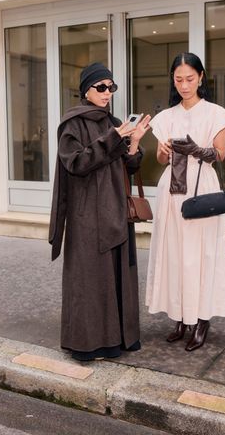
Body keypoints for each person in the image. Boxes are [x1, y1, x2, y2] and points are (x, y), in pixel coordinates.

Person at [49, 62, 150, 361]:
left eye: (111, 87)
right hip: (87, 217)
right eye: (101, 87)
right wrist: (114, 137)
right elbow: (76, 163)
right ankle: (89, 344)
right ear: (86, 90)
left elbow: (129, 168)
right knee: (90, 280)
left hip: (116, 211)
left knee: (116, 276)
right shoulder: (73, 124)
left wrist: (134, 143)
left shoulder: (114, 122)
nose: (107, 93)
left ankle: (117, 340)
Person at [145, 52, 225, 351]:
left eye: (190, 79)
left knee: (201, 255)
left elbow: (220, 154)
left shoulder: (216, 114)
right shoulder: (166, 116)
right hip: (171, 191)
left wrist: (197, 149)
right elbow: (161, 159)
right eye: (178, 79)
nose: (184, 85)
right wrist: (162, 149)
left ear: (200, 77)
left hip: (202, 190)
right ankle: (180, 317)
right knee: (174, 254)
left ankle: (201, 319)